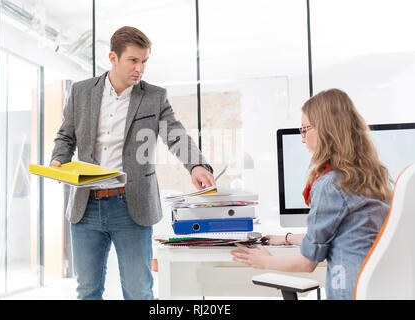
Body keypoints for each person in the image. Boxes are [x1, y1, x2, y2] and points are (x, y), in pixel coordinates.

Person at [50, 26, 215, 300]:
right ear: (113, 58)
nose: (140, 69)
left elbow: (176, 135)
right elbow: (66, 135)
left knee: (139, 291)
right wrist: (58, 159)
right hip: (85, 206)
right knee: (87, 291)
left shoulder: (153, 96)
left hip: (131, 205)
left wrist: (196, 165)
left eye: (144, 61)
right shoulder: (81, 92)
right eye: (133, 60)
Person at [231, 88, 391, 300]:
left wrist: (265, 262)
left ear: (326, 131)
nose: (302, 138)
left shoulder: (330, 185)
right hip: (379, 290)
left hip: (348, 293)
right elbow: (344, 235)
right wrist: (285, 238)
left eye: (305, 129)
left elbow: (307, 263)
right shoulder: (374, 177)